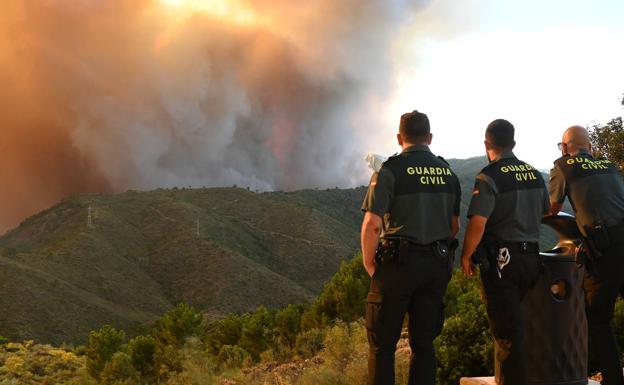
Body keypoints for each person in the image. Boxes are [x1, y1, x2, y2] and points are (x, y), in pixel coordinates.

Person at [361, 110, 461, 385]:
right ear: (429, 137)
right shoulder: (448, 173)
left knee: (382, 346)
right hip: (436, 266)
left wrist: (370, 264)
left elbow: (372, 224)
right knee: (424, 345)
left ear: (398, 137)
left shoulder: (390, 171)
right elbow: (454, 227)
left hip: (396, 267)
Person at [461, 119, 550, 385]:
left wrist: (466, 255)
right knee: (521, 330)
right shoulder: (534, 173)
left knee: (506, 335)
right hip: (532, 260)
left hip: (503, 263)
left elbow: (478, 223)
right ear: (513, 143)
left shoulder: (489, 176)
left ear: (487, 144)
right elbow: (546, 211)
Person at [548, 125, 624, 385]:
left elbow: (552, 208)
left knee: (599, 318)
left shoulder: (564, 167)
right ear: (590, 148)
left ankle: (613, 380)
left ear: (566, 148)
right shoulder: (609, 166)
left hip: (607, 251)